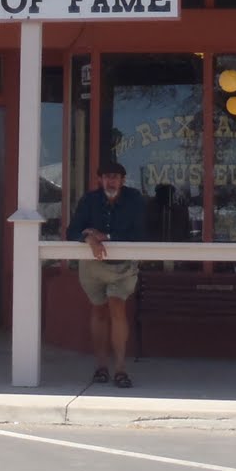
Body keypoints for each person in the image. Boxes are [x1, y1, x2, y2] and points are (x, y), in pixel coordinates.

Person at [67, 159, 146, 388]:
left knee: (117, 308)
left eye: (115, 176)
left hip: (123, 266)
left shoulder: (134, 200)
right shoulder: (89, 200)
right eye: (106, 176)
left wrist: (107, 237)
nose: (110, 180)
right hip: (94, 266)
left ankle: (120, 368)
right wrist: (87, 237)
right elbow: (72, 230)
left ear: (122, 180)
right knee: (99, 311)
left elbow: (139, 233)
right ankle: (101, 366)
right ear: (100, 180)